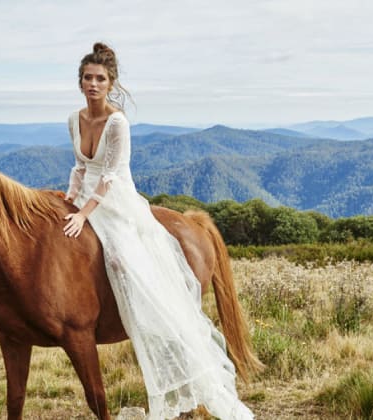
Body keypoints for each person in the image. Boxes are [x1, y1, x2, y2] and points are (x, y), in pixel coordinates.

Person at [62, 42, 254, 420]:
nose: (93, 84)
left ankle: (145, 319)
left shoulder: (117, 123)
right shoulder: (74, 119)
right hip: (84, 196)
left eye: (100, 78)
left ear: (111, 83)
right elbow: (80, 168)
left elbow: (111, 176)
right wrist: (68, 203)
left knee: (120, 259)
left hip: (116, 202)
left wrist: (84, 213)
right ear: (80, 82)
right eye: (87, 78)